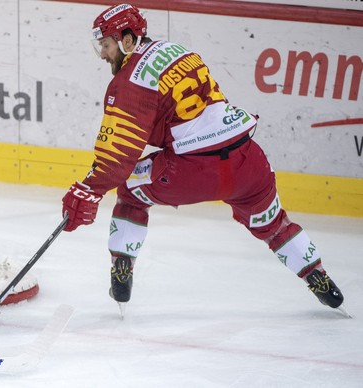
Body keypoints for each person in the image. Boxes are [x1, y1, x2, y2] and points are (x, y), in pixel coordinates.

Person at [61, 3, 344, 314]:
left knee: (130, 189)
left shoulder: (129, 82)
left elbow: (119, 155)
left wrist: (88, 189)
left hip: (193, 172)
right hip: (249, 162)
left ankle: (122, 267)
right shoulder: (176, 50)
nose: (102, 54)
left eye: (106, 44)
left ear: (127, 41)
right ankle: (318, 277)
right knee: (273, 224)